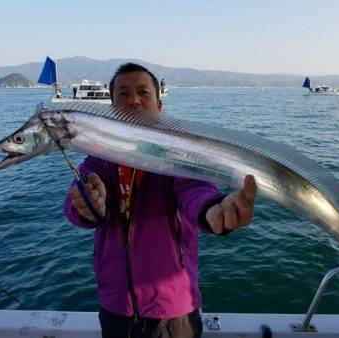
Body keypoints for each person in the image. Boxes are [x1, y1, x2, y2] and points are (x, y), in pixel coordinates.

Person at [64, 63, 257, 338]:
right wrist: (85, 205)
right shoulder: (98, 158)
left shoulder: (177, 156)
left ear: (159, 105)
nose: (133, 100)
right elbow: (77, 199)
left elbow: (194, 189)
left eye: (143, 92)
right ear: (111, 107)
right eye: (123, 94)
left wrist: (214, 208)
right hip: (114, 306)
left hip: (173, 310)